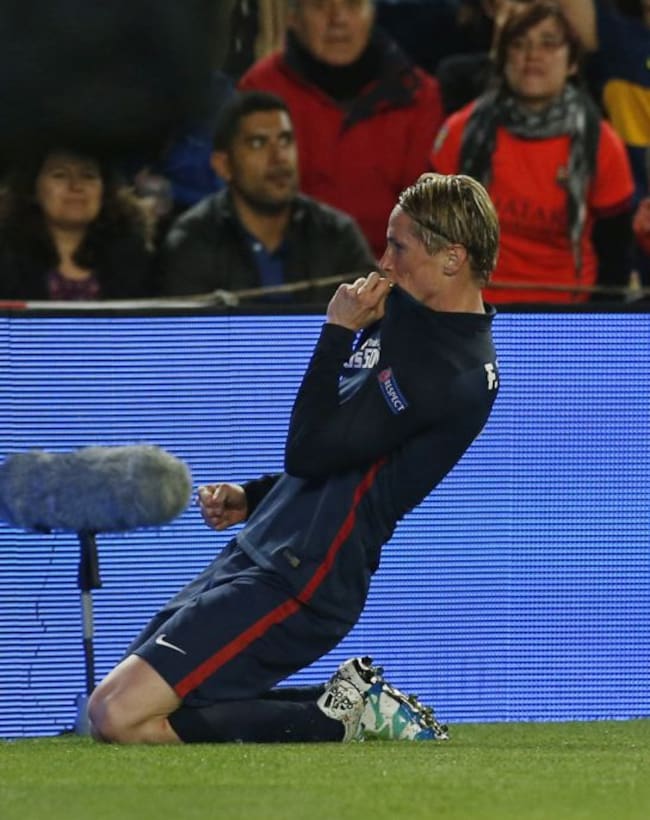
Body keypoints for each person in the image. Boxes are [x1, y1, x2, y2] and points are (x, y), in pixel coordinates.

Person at [88, 171, 501, 745]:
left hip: (304, 579)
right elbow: (346, 452)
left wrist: (335, 334)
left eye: (398, 246)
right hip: (265, 547)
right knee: (109, 709)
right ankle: (342, 703)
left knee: (119, 718)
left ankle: (337, 717)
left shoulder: (451, 373)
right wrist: (256, 496)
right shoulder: (406, 312)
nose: (384, 260)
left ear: (452, 258)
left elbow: (310, 449)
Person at [431, 1, 635, 304]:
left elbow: (614, 254)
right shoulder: (459, 132)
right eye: (519, 44)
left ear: (573, 62)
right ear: (502, 58)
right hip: (472, 308)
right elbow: (432, 234)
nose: (533, 55)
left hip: (570, 311)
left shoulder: (602, 143)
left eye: (549, 43)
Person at [238, 0, 445, 259]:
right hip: (289, 274)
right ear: (293, 17)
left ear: (373, 13)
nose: (338, 20)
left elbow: (427, 218)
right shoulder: (260, 88)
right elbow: (251, 205)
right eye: (321, 7)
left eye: (353, 5)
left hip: (392, 276)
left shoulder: (420, 96)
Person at [160, 91, 376, 305]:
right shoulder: (193, 241)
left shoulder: (336, 235)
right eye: (258, 143)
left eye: (285, 140)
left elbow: (374, 323)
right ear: (223, 165)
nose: (279, 157)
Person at [0, 147, 155, 301]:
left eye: (88, 176)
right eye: (60, 175)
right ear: (32, 189)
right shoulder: (6, 255)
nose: (76, 186)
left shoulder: (134, 258)